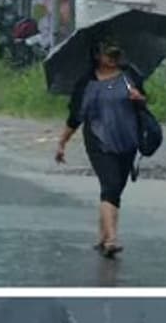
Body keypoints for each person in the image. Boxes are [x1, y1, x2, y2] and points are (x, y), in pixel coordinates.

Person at [54, 40, 147, 258]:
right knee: (111, 185)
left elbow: (143, 103)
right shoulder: (86, 84)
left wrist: (139, 98)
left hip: (128, 140)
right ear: (97, 56)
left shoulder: (129, 76)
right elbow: (75, 117)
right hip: (99, 141)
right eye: (108, 55)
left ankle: (102, 236)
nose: (113, 59)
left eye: (116, 54)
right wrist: (62, 143)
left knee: (115, 190)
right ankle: (112, 239)